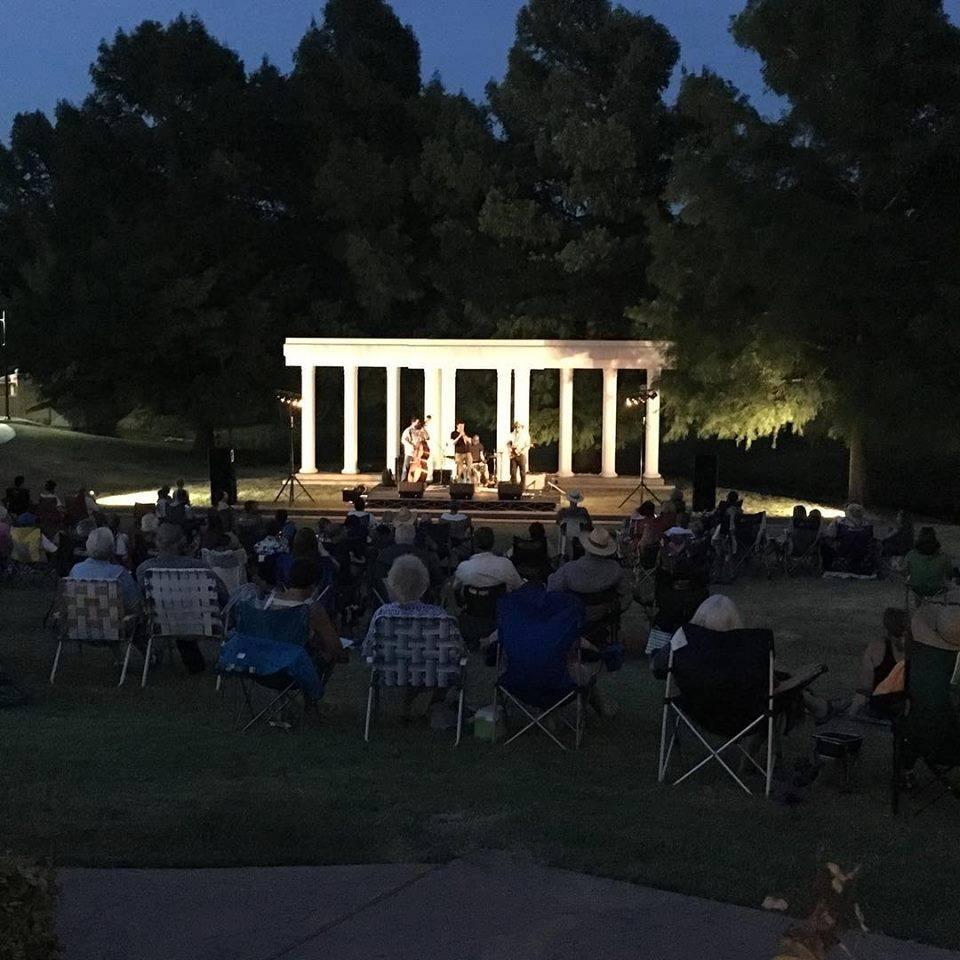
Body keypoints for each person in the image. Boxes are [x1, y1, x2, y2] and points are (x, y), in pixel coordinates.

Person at [362, 554, 465, 719]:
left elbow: (368, 649)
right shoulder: (439, 616)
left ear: (392, 585)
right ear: (424, 586)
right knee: (446, 665)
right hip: (435, 674)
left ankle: (411, 705)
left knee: (414, 661)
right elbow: (458, 650)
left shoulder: (382, 614)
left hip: (391, 671)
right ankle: (431, 707)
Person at [136, 522, 228, 673]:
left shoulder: (145, 570)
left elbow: (141, 598)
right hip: (200, 623)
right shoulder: (200, 569)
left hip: (162, 622)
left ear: (157, 542)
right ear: (183, 542)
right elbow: (223, 596)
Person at [265, 557, 347, 681]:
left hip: (267, 664)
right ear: (314, 585)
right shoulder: (312, 609)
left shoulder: (270, 601)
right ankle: (313, 694)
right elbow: (336, 649)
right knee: (330, 651)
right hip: (297, 669)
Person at [847, 607, 908, 720]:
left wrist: (851, 714)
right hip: (908, 710)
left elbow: (864, 690)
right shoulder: (918, 649)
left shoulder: (875, 648)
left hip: (881, 710)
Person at [69, 527, 142, 613]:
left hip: (80, 623)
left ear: (88, 545)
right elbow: (135, 604)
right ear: (112, 548)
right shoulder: (119, 573)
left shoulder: (76, 570)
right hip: (114, 625)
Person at [454, 527, 524, 592]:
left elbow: (456, 587)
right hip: (500, 603)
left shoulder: (464, 567)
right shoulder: (506, 564)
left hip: (473, 603)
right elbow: (518, 585)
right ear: (493, 542)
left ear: (474, 543)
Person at [904, 526, 956, 599]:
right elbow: (949, 574)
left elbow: (905, 571)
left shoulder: (911, 555)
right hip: (937, 589)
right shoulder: (943, 557)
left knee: (916, 581)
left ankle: (918, 602)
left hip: (916, 588)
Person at [556, 490, 592, 560]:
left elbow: (558, 524)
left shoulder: (562, 512)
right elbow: (589, 525)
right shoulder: (583, 511)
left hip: (566, 539)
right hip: (581, 540)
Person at [509, 421, 531, 487]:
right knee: (513, 472)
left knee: (522, 472)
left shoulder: (525, 435)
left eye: (518, 427)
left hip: (521, 455)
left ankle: (522, 486)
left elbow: (527, 445)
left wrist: (522, 451)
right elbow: (508, 443)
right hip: (513, 455)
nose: (517, 428)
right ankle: (514, 486)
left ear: (521, 427)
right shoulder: (512, 434)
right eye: (516, 427)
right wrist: (510, 449)